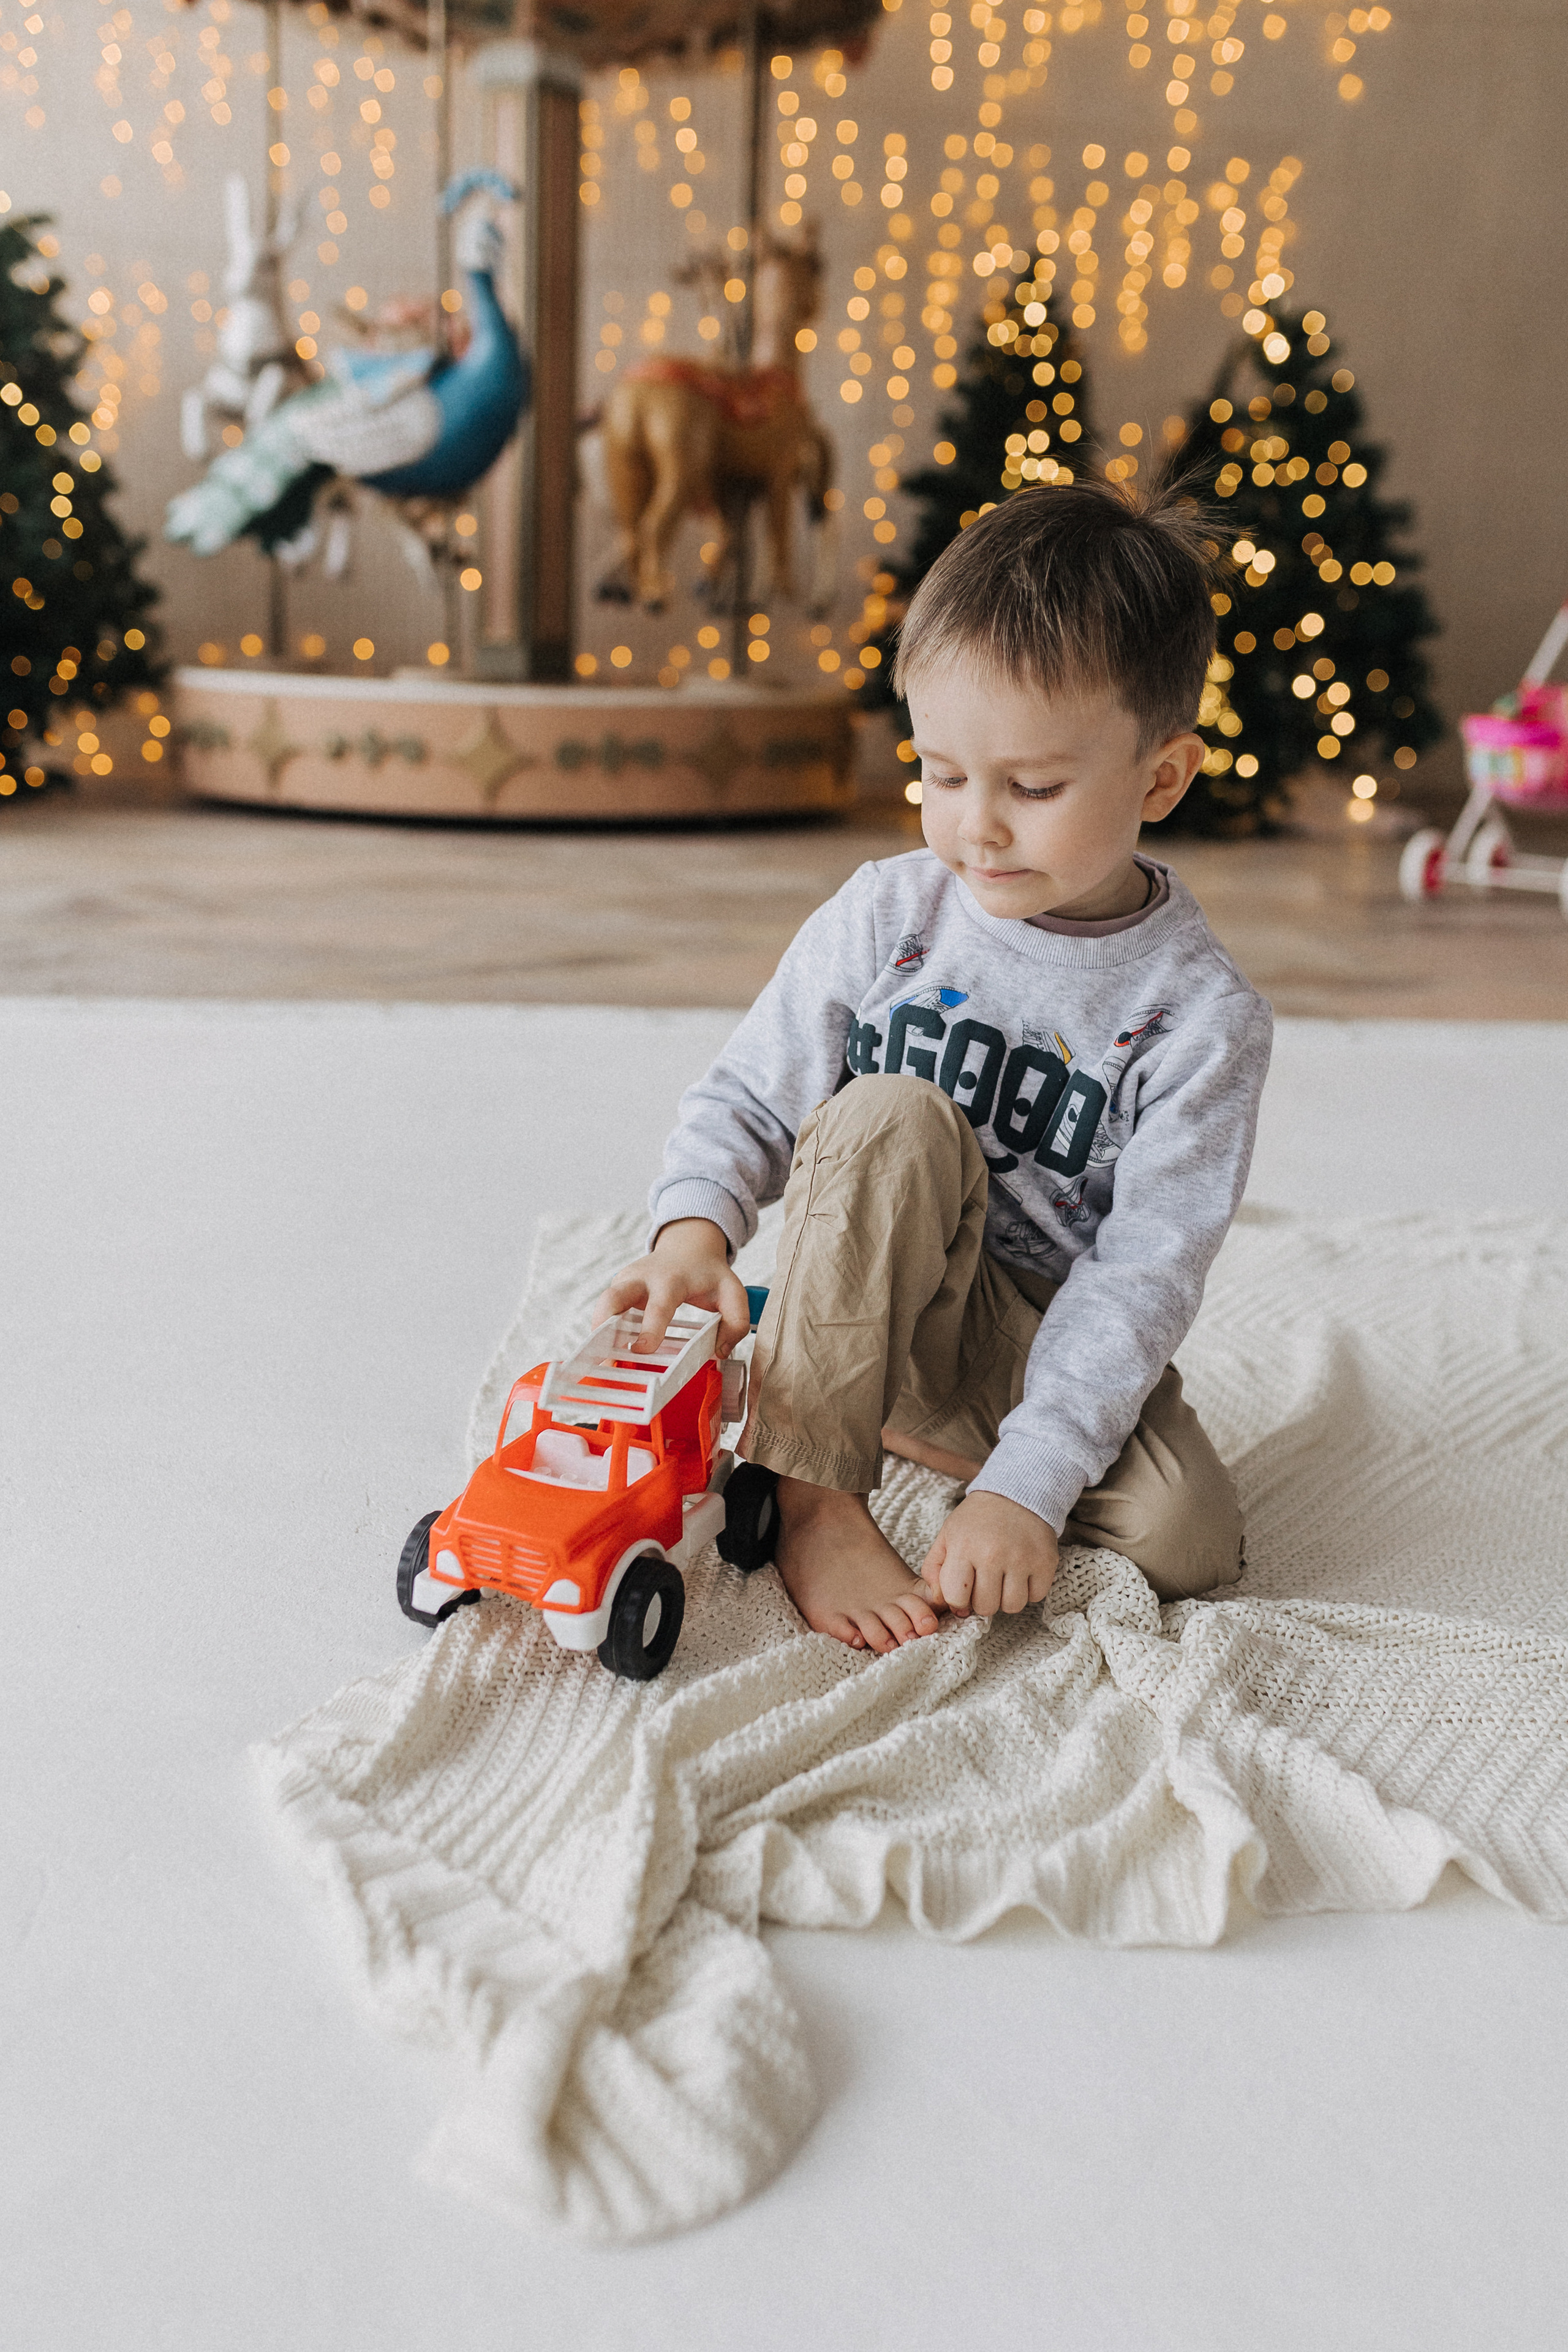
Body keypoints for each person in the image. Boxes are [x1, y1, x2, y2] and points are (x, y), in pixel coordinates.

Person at [595, 479, 1273, 1654]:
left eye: (1034, 787)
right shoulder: (889, 913)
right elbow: (751, 1092)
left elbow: (1141, 1280)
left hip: (1024, 1336)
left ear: (1161, 778)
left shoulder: (1203, 1020)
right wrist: (693, 1232)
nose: (978, 826)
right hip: (869, 1266)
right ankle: (810, 1485)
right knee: (892, 1114)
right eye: (943, 775)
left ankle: (867, 1398)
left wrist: (1026, 1487)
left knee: (1186, 1538)